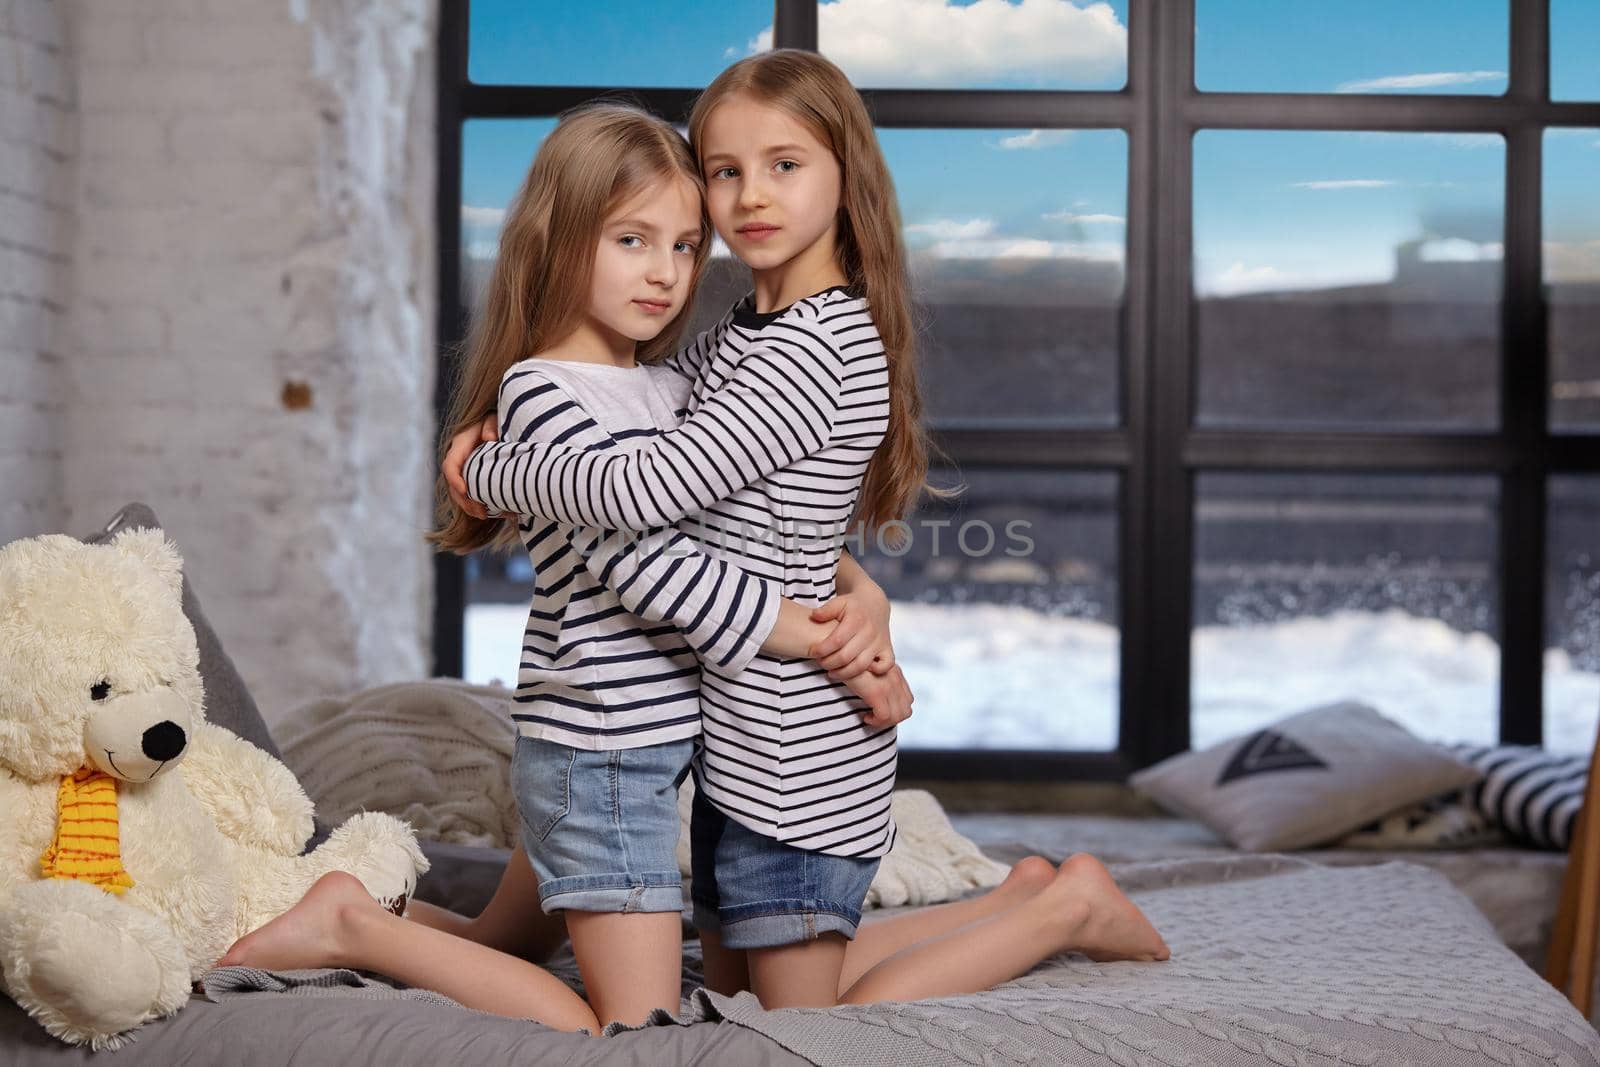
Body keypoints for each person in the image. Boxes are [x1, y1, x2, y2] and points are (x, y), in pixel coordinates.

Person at [444, 50, 1171, 1012]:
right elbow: (742, 508)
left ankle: (1058, 911)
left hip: (794, 746)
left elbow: (655, 486)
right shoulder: (738, 335)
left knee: (814, 1018)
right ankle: (1022, 896)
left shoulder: (811, 348)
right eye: (726, 169)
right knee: (758, 982)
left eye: (785, 164)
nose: (752, 196)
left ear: (844, 174)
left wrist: (489, 470)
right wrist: (858, 590)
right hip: (734, 741)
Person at [220, 101, 910, 1032]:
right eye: (632, 239)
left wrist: (860, 595)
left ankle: (321, 912)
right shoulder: (543, 392)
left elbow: (746, 513)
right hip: (598, 744)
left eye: (682, 245)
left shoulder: (668, 380)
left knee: (503, 942)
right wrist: (801, 631)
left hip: (651, 743)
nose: (665, 273)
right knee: (626, 1025)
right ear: (557, 241)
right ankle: (353, 924)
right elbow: (648, 563)